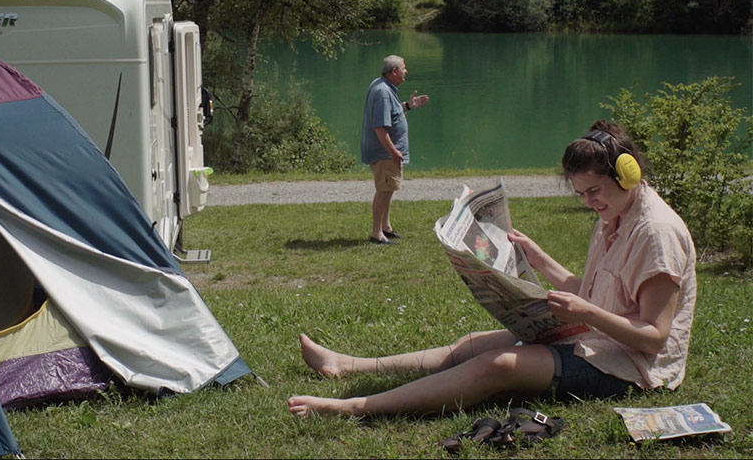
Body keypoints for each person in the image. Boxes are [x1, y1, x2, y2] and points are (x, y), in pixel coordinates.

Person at [289, 120, 697, 418]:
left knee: (496, 365)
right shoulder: (616, 214)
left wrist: (585, 313)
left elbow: (654, 338)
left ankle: (356, 407)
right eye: (581, 193)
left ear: (628, 174)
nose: (589, 202)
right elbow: (595, 291)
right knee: (474, 344)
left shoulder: (657, 233)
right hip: (597, 338)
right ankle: (348, 366)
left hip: (628, 368)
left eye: (594, 191)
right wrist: (540, 261)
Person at [361, 55, 429, 244]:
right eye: (404, 68)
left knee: (389, 189)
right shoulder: (383, 91)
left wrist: (408, 106)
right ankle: (377, 234)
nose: (406, 71)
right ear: (394, 71)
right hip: (384, 154)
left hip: (387, 153)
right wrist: (392, 151)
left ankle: (386, 227)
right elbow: (380, 127)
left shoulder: (383, 86)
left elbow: (390, 114)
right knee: (383, 190)